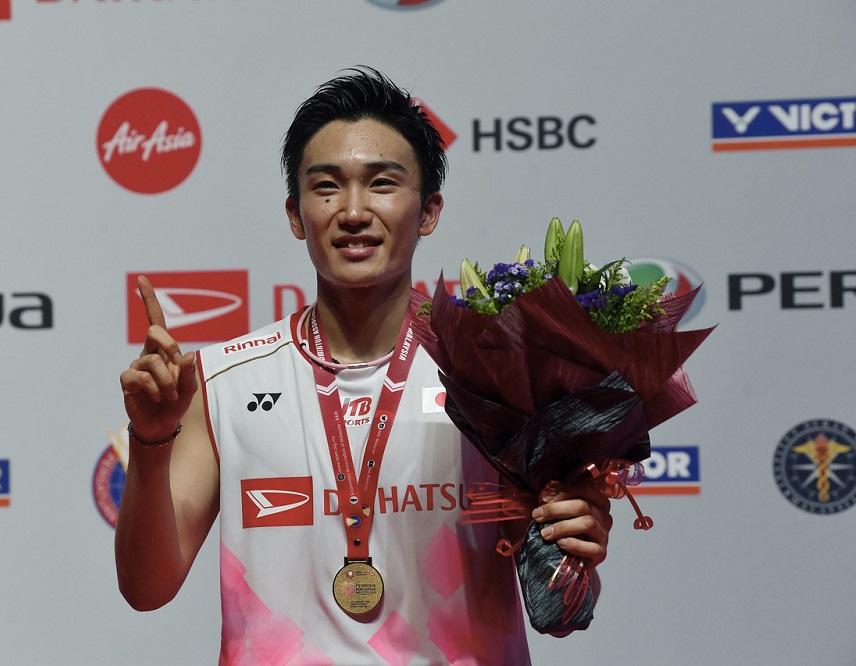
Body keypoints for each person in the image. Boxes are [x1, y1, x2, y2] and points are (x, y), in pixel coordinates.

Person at [116, 67, 613, 664]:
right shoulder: (221, 380)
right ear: (296, 215)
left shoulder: (497, 374)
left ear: (429, 211)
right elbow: (145, 591)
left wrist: (571, 539)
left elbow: (560, 611)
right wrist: (150, 442)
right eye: (326, 186)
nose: (353, 210)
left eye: (382, 184)